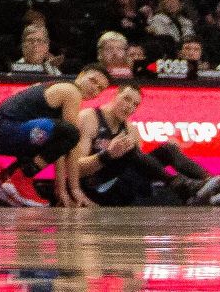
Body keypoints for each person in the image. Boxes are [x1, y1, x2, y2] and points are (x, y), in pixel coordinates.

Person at [0, 66, 109, 208]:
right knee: (71, 133)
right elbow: (71, 142)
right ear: (81, 75)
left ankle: (3, 176)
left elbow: (59, 150)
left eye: (100, 88)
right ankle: (21, 178)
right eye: (92, 81)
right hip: (2, 130)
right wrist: (74, 189)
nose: (94, 88)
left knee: (58, 137)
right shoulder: (71, 91)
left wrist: (61, 189)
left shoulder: (57, 85)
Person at [78, 82, 220, 206]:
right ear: (115, 96)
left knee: (168, 149)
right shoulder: (89, 117)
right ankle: (183, 186)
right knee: (128, 149)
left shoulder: (131, 129)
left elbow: (140, 170)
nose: (129, 107)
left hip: (122, 187)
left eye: (135, 105)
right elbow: (77, 168)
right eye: (126, 99)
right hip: (95, 185)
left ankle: (209, 182)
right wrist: (107, 154)